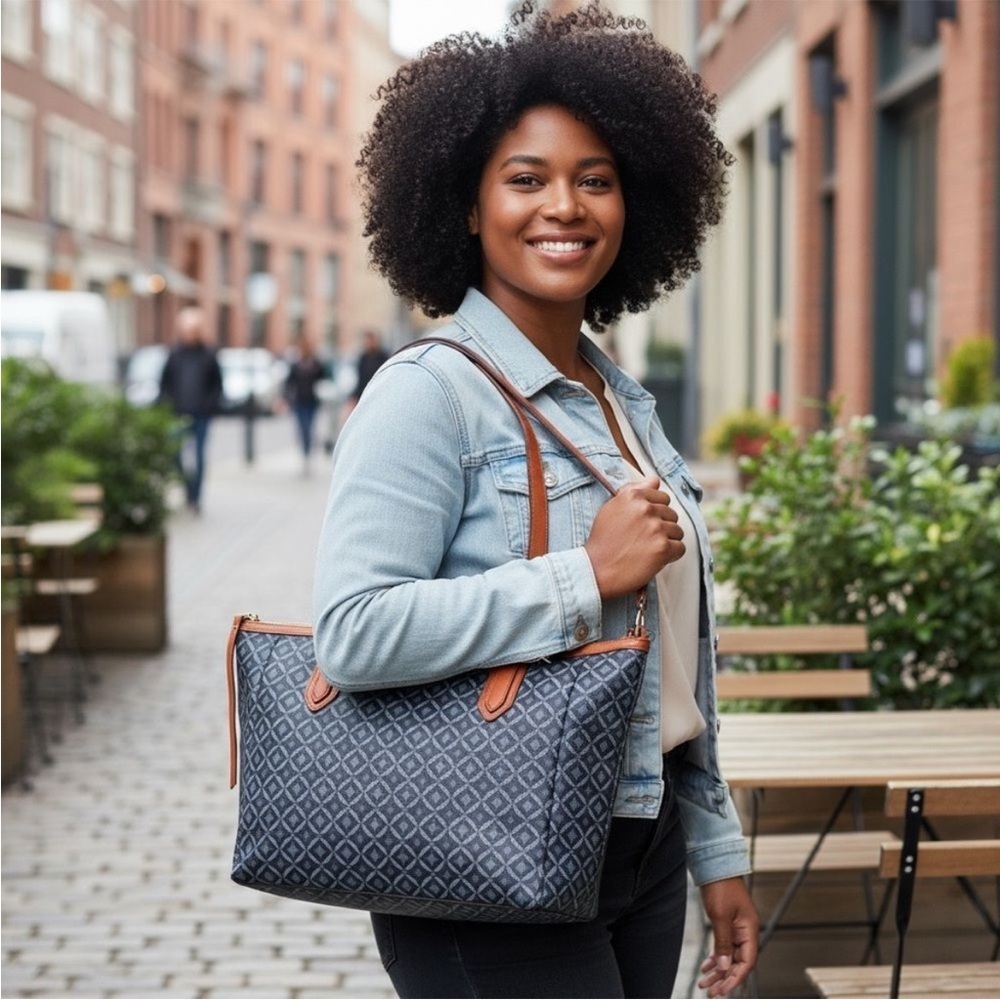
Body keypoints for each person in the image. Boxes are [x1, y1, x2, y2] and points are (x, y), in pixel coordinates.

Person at [313, 4, 759, 998]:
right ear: (465, 206)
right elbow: (353, 631)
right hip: (492, 855)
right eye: (526, 179)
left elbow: (677, 657)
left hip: (642, 847)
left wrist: (714, 845)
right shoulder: (429, 393)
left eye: (594, 180)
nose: (566, 205)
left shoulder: (621, 403)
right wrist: (580, 577)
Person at [158, 306, 222, 513]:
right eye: (187, 330)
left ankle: (196, 496)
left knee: (200, 456)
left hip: (201, 414)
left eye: (193, 329)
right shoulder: (174, 354)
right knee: (175, 455)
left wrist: (209, 405)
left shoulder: (209, 354)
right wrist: (168, 405)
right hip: (178, 413)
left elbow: (217, 385)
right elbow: (165, 383)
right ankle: (187, 487)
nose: (190, 334)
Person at [283, 337, 326, 474]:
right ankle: (305, 453)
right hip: (299, 401)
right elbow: (289, 382)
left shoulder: (316, 364)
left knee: (309, 427)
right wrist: (286, 398)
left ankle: (308, 452)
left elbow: (324, 378)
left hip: (312, 401)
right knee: (302, 428)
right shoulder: (296, 365)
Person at [348, 329, 388, 406]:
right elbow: (361, 380)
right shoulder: (363, 358)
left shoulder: (383, 358)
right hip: (365, 394)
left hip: (379, 393)